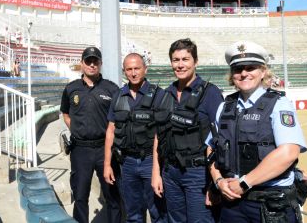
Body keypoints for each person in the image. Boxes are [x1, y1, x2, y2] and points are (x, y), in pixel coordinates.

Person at [206, 41, 307, 222]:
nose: (244, 73)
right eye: (237, 69)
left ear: (263, 72)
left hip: (271, 204)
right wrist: (218, 181)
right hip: (231, 202)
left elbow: (289, 153)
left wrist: (244, 183)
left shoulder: (279, 104)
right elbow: (212, 148)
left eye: (250, 68)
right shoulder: (224, 107)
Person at [151, 38, 224, 223]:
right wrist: (156, 172)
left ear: (195, 62)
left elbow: (221, 140)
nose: (180, 65)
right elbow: (159, 136)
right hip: (170, 172)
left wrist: (215, 182)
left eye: (185, 59)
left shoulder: (211, 93)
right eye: (176, 60)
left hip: (199, 174)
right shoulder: (165, 93)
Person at [60, 47, 122, 223]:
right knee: (80, 196)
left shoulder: (111, 89)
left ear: (101, 64)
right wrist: (77, 129)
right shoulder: (71, 89)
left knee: (112, 195)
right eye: (88, 61)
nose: (92, 65)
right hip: (80, 150)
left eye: (96, 61)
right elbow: (65, 113)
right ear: (82, 63)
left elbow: (119, 118)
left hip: (105, 149)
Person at [104, 53, 166, 223]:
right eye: (129, 69)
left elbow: (161, 133)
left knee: (158, 213)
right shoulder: (118, 96)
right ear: (124, 72)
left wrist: (157, 169)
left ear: (145, 69)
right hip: (127, 162)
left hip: (150, 161)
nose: (133, 73)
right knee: (133, 214)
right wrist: (107, 164)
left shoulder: (158, 95)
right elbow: (111, 130)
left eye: (137, 68)